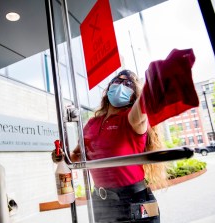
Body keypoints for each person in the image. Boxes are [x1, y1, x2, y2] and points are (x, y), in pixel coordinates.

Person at [53, 69, 167, 222]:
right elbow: (75, 155)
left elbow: (144, 104)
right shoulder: (92, 123)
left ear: (134, 94)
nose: (121, 85)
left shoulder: (131, 118)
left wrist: (154, 81)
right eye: (117, 81)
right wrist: (61, 156)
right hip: (101, 202)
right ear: (108, 89)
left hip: (135, 201)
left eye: (128, 83)